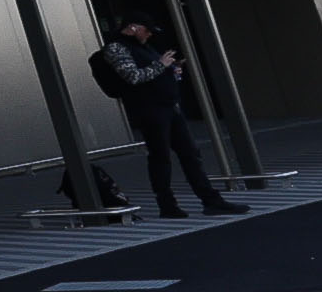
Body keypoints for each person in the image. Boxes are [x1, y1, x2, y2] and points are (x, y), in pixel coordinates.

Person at [87, 18, 237, 220]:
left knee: (190, 153)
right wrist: (161, 65)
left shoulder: (145, 47)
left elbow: (153, 73)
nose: (149, 34)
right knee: (161, 157)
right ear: (133, 27)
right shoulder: (116, 48)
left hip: (168, 107)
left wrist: (172, 70)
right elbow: (133, 77)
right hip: (149, 110)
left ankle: (211, 200)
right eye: (146, 30)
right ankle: (168, 205)